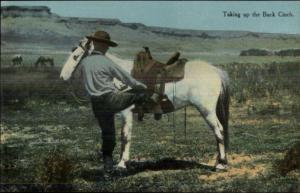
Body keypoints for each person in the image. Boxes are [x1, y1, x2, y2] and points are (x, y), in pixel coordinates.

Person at [80, 30, 157, 173]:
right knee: (140, 93)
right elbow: (126, 79)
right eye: (107, 46)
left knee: (108, 134)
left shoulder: (84, 63)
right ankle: (154, 108)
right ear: (104, 46)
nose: (108, 48)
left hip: (96, 104)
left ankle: (108, 168)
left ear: (94, 43)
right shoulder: (107, 62)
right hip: (111, 99)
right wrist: (142, 86)